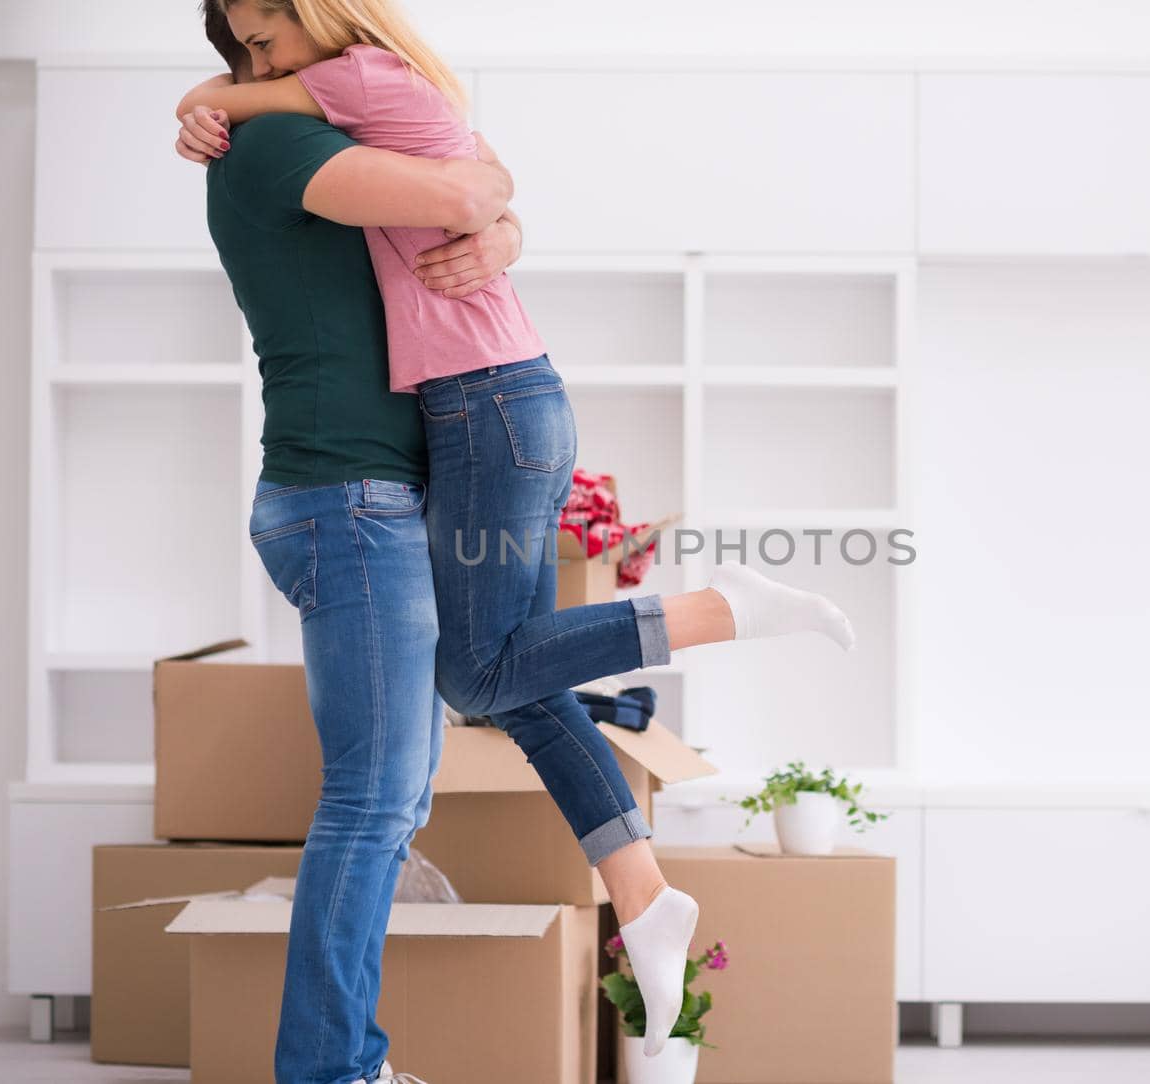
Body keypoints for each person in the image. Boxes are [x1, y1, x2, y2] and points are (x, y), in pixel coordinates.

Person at [181, 2, 858, 1079]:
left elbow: (477, 186)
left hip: (395, 482)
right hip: (348, 499)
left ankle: (639, 892)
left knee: (472, 695)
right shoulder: (277, 140)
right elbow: (467, 185)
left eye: (266, 34)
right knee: (385, 785)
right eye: (239, 46)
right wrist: (225, 99)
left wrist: (501, 228)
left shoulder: (349, 111)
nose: (251, 57)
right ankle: (334, 1069)